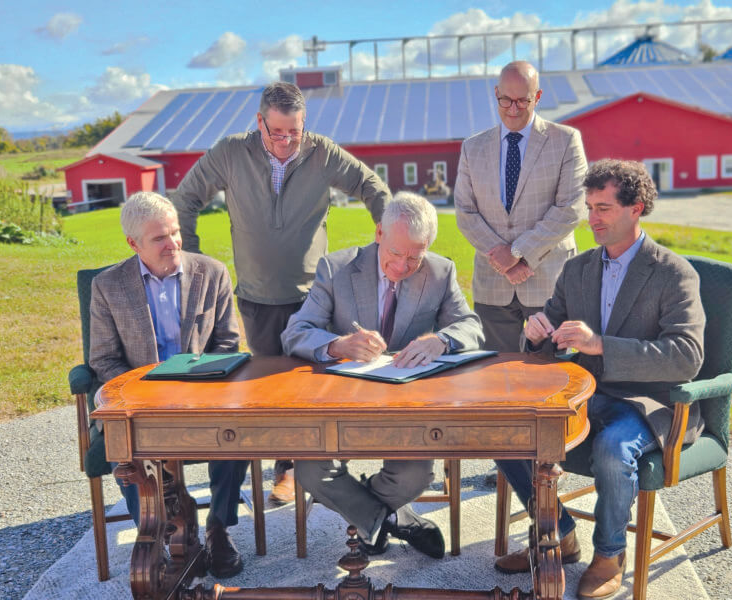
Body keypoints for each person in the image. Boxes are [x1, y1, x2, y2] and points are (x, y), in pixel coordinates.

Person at [494, 160, 705, 599]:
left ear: (636, 209)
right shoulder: (578, 269)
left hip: (650, 404)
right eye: (590, 207)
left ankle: (609, 554)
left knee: (613, 449)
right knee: (506, 434)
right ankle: (561, 534)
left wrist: (601, 345)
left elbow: (687, 358)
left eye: (604, 208)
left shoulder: (673, 273)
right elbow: (549, 332)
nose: (593, 219)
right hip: (586, 396)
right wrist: (534, 336)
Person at [173, 81, 390, 503]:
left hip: (315, 293)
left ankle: (321, 467)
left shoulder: (322, 152)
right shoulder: (231, 152)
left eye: (296, 130)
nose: (288, 140)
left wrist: (386, 239)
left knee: (317, 383)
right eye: (277, 132)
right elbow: (185, 199)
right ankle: (283, 466)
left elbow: (372, 186)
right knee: (271, 388)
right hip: (258, 296)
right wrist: (192, 259)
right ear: (259, 122)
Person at [281, 191, 484, 558]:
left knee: (416, 476)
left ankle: (369, 520)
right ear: (378, 233)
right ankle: (399, 521)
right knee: (311, 472)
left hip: (406, 404)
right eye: (395, 253)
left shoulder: (440, 271)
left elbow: (470, 325)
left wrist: (441, 340)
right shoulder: (336, 268)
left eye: (414, 256)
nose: (403, 266)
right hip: (341, 401)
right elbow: (296, 332)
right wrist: (338, 345)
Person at [89, 191, 248, 578]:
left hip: (203, 394)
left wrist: (199, 386)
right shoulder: (108, 286)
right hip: (141, 399)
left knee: (241, 429)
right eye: (159, 237)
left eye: (175, 232)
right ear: (133, 243)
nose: (172, 243)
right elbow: (104, 359)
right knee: (119, 437)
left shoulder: (212, 273)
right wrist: (149, 391)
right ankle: (159, 533)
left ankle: (218, 528)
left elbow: (228, 344)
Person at [454, 60, 587, 353]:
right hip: (493, 283)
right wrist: (502, 258)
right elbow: (465, 212)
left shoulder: (565, 141)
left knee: (552, 373)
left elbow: (571, 208)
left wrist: (519, 254)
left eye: (522, 101)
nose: (513, 109)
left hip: (548, 281)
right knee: (495, 375)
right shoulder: (472, 147)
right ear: (496, 93)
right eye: (505, 100)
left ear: (537, 97)